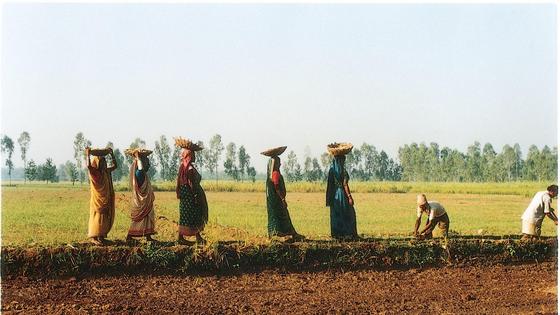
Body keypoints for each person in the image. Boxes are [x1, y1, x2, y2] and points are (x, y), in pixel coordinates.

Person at [265, 156, 305, 241]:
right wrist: (282, 199)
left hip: (274, 202)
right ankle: (283, 234)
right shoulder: (275, 174)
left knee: (280, 216)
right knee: (282, 216)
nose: (280, 164)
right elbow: (277, 187)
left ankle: (288, 233)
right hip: (277, 201)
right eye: (279, 162)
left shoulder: (271, 175)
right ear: (275, 164)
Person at [176, 145, 208, 245]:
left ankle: (187, 237)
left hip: (185, 195)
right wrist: (195, 196)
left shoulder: (183, 166)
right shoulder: (189, 168)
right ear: (189, 156)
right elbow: (191, 183)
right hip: (190, 195)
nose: (195, 157)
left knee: (186, 215)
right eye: (193, 155)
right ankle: (195, 238)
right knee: (195, 214)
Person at [86, 147, 117, 246]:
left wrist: (112, 154)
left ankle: (101, 236)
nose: (104, 164)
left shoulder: (106, 172)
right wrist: (87, 155)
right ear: (98, 164)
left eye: (105, 162)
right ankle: (94, 237)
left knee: (104, 217)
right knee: (97, 216)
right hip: (98, 200)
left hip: (106, 198)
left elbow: (115, 166)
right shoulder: (95, 173)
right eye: (102, 163)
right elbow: (88, 166)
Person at [126, 151, 156, 243]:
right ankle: (130, 235)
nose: (149, 165)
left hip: (145, 201)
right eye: (147, 163)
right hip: (141, 202)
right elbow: (140, 169)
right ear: (142, 164)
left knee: (147, 218)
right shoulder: (140, 173)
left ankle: (148, 236)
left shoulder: (143, 174)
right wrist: (138, 158)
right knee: (140, 219)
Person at [326, 154, 358, 239]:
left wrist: (329, 198)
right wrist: (349, 197)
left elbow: (329, 185)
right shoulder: (343, 171)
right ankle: (348, 233)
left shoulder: (331, 171)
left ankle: (337, 234)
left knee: (336, 214)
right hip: (343, 195)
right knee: (348, 213)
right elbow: (345, 185)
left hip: (334, 196)